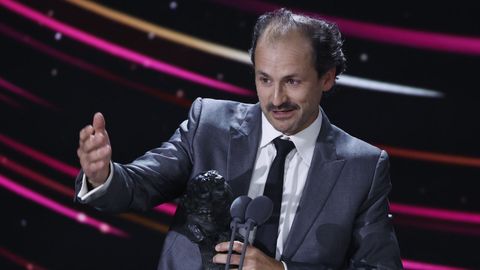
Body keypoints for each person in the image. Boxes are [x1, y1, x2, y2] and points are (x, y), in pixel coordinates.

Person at [75, 8, 402, 270]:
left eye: (292, 82)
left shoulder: (363, 167)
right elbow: (136, 185)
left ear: (327, 77)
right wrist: (102, 175)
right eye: (264, 79)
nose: (276, 99)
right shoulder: (209, 125)